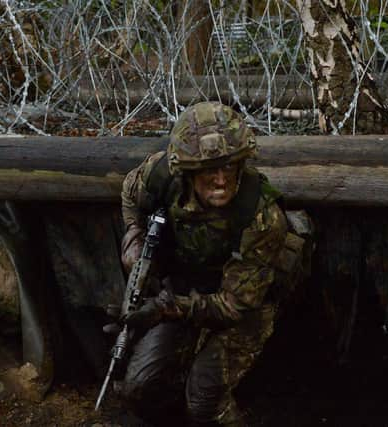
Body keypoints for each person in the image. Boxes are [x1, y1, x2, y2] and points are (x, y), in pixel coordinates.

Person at [114, 102, 307, 426]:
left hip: (246, 305)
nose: (220, 180)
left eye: (229, 167)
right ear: (187, 171)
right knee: (139, 387)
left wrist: (168, 309)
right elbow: (130, 193)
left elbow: (235, 306)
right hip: (188, 286)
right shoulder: (161, 174)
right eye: (208, 170)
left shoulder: (260, 215)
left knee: (204, 399)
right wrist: (133, 234)